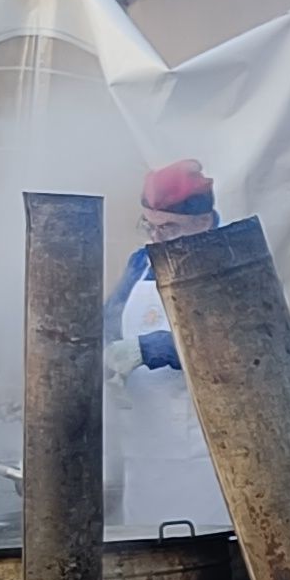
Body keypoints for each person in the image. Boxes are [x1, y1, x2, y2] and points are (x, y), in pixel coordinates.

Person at [102, 160, 233, 540]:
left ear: (204, 221)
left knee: (203, 546)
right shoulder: (142, 262)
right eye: (150, 225)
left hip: (204, 448)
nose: (157, 238)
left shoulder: (227, 259)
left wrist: (147, 349)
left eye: (169, 227)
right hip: (145, 443)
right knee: (147, 544)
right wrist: (104, 353)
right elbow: (111, 318)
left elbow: (220, 338)